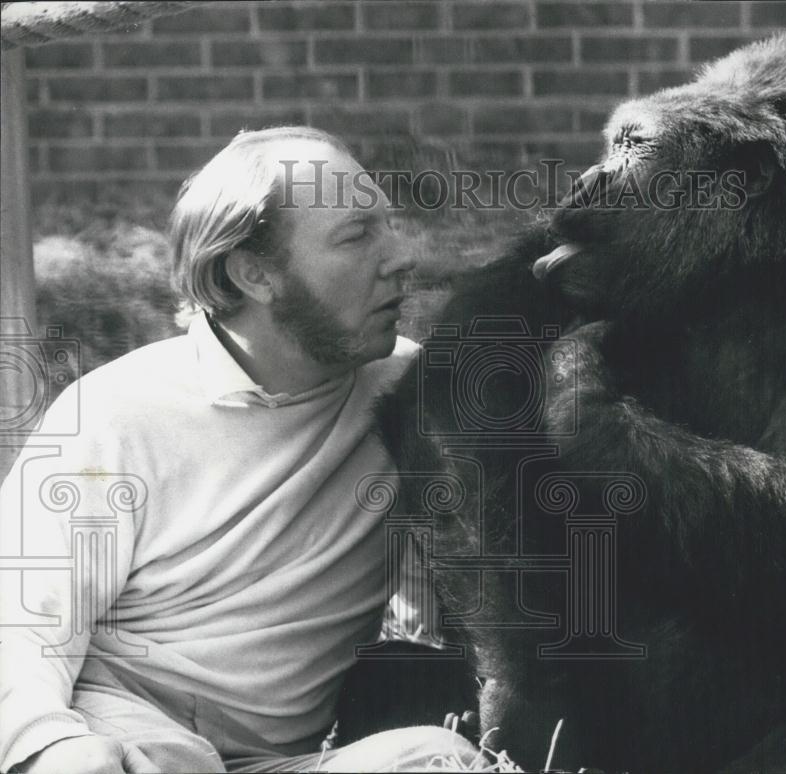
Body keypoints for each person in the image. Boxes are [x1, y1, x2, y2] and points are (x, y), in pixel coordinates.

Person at [0, 127, 481, 773]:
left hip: (273, 762)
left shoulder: (407, 394)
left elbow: (464, 585)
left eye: (389, 226)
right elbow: (21, 625)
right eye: (357, 235)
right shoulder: (118, 412)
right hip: (120, 735)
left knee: (437, 760)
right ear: (254, 272)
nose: (401, 256)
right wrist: (51, 748)